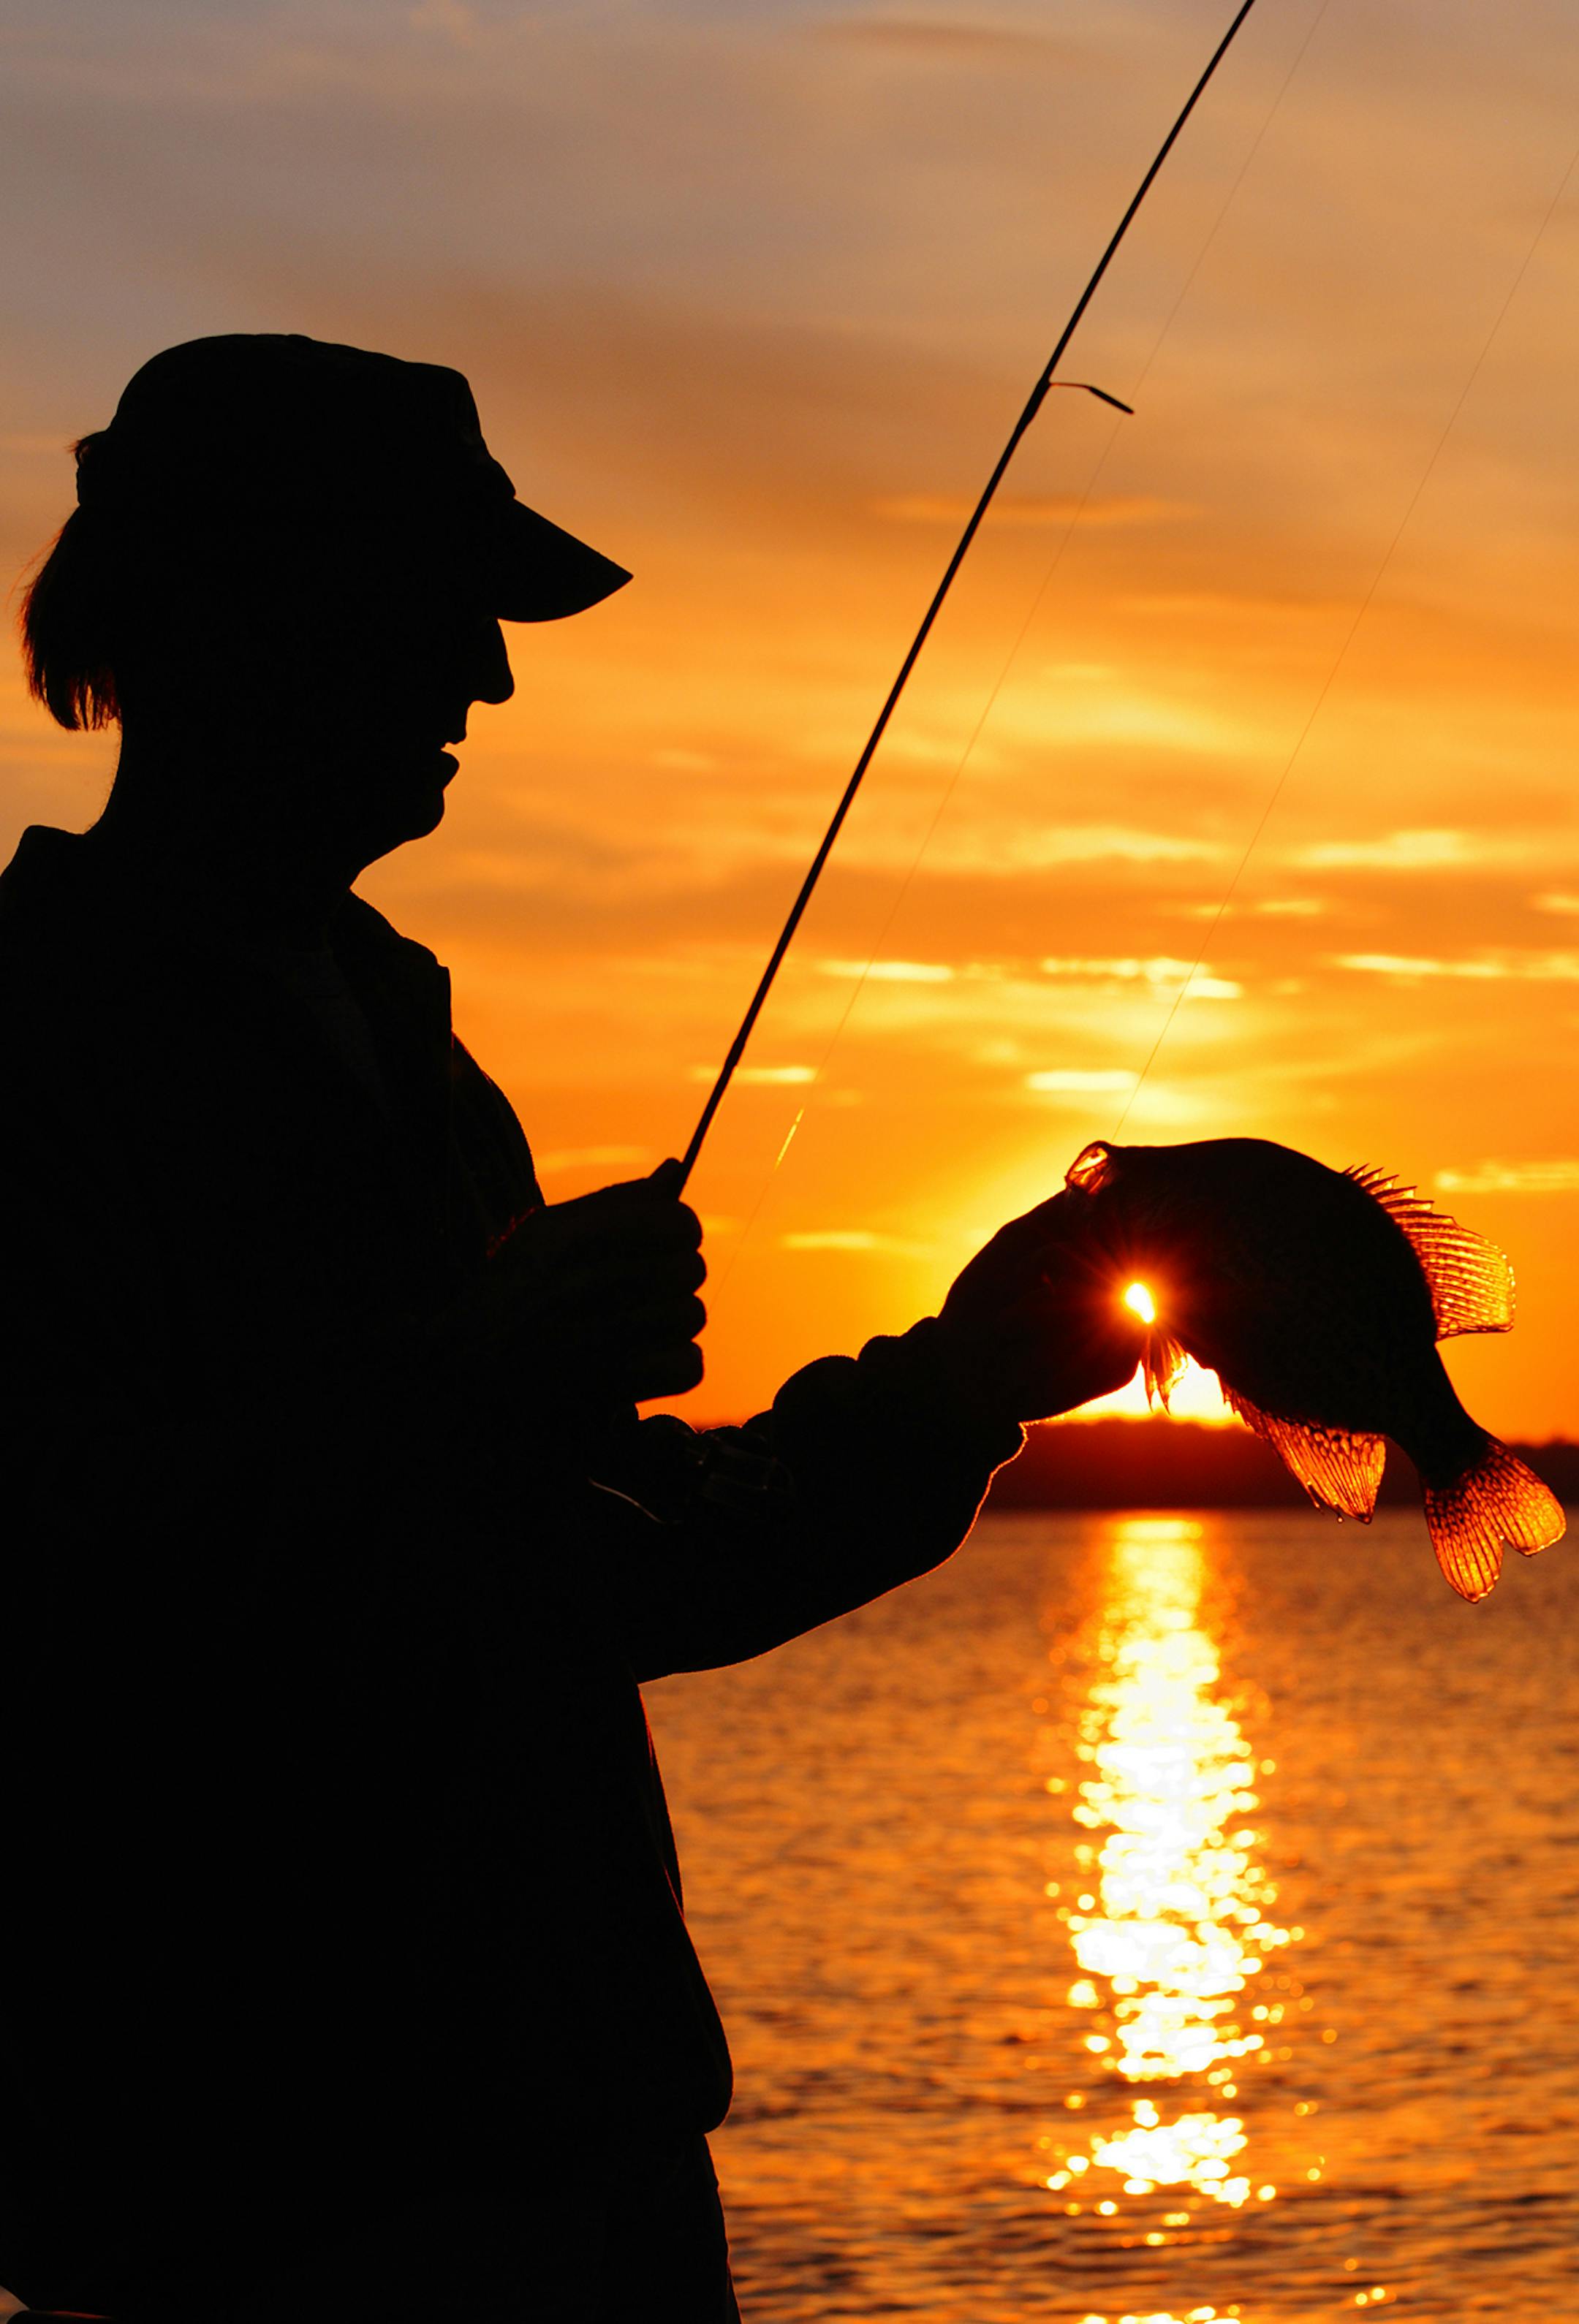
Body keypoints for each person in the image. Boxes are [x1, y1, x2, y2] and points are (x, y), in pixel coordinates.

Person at [0, 335, 1144, 2323]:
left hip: (587, 2187)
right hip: (240, 2228)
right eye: (443, 610)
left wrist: (960, 1384)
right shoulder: (28, 1046)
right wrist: (459, 1383)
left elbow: (581, 1566)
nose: (490, 677)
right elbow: (69, 1572)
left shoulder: (415, 1058)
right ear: (244, 612)